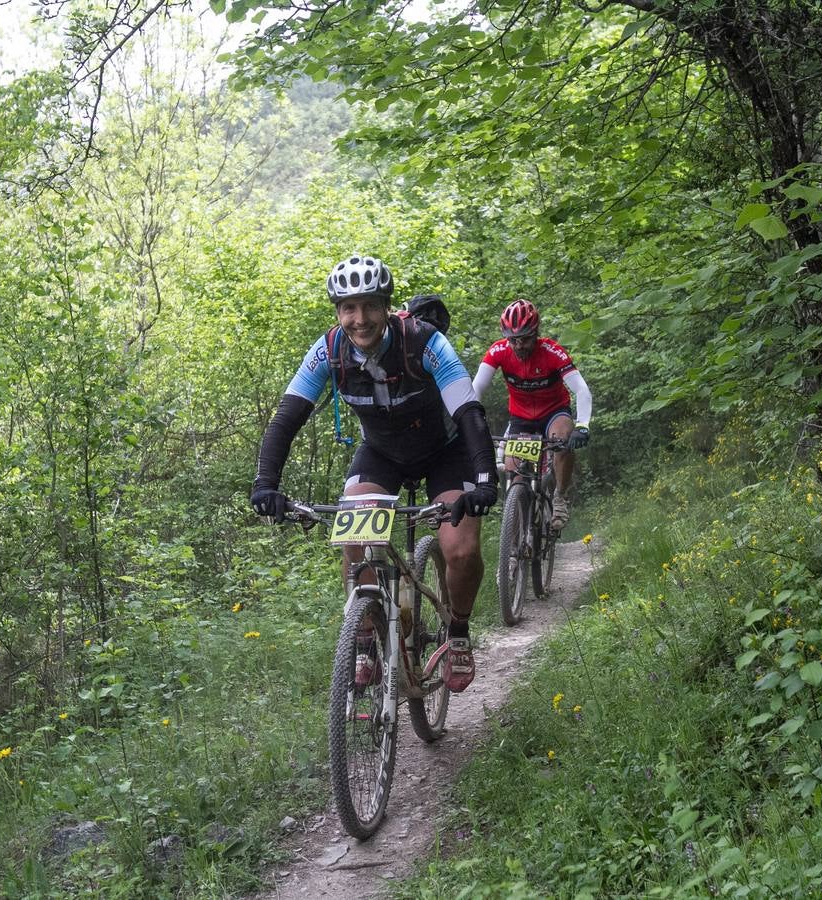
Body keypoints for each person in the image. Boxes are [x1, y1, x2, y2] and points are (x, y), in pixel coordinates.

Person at [250, 255, 498, 692]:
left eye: (369, 306)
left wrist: (484, 479)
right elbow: (286, 419)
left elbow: (469, 412)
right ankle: (364, 638)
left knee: (460, 552)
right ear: (337, 312)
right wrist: (265, 483)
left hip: (445, 451)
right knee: (355, 539)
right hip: (381, 453)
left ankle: (457, 633)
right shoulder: (328, 350)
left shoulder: (425, 343)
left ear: (386, 307)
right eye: (348, 308)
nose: (359, 319)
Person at [472, 298, 592, 529]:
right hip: (521, 418)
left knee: (562, 441)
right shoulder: (498, 351)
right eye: (513, 340)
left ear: (536, 333)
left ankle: (559, 496)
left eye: (525, 339)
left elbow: (582, 389)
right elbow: (476, 388)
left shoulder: (552, 352)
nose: (518, 345)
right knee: (513, 473)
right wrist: (471, 422)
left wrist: (583, 425)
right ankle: (513, 544)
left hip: (554, 412)